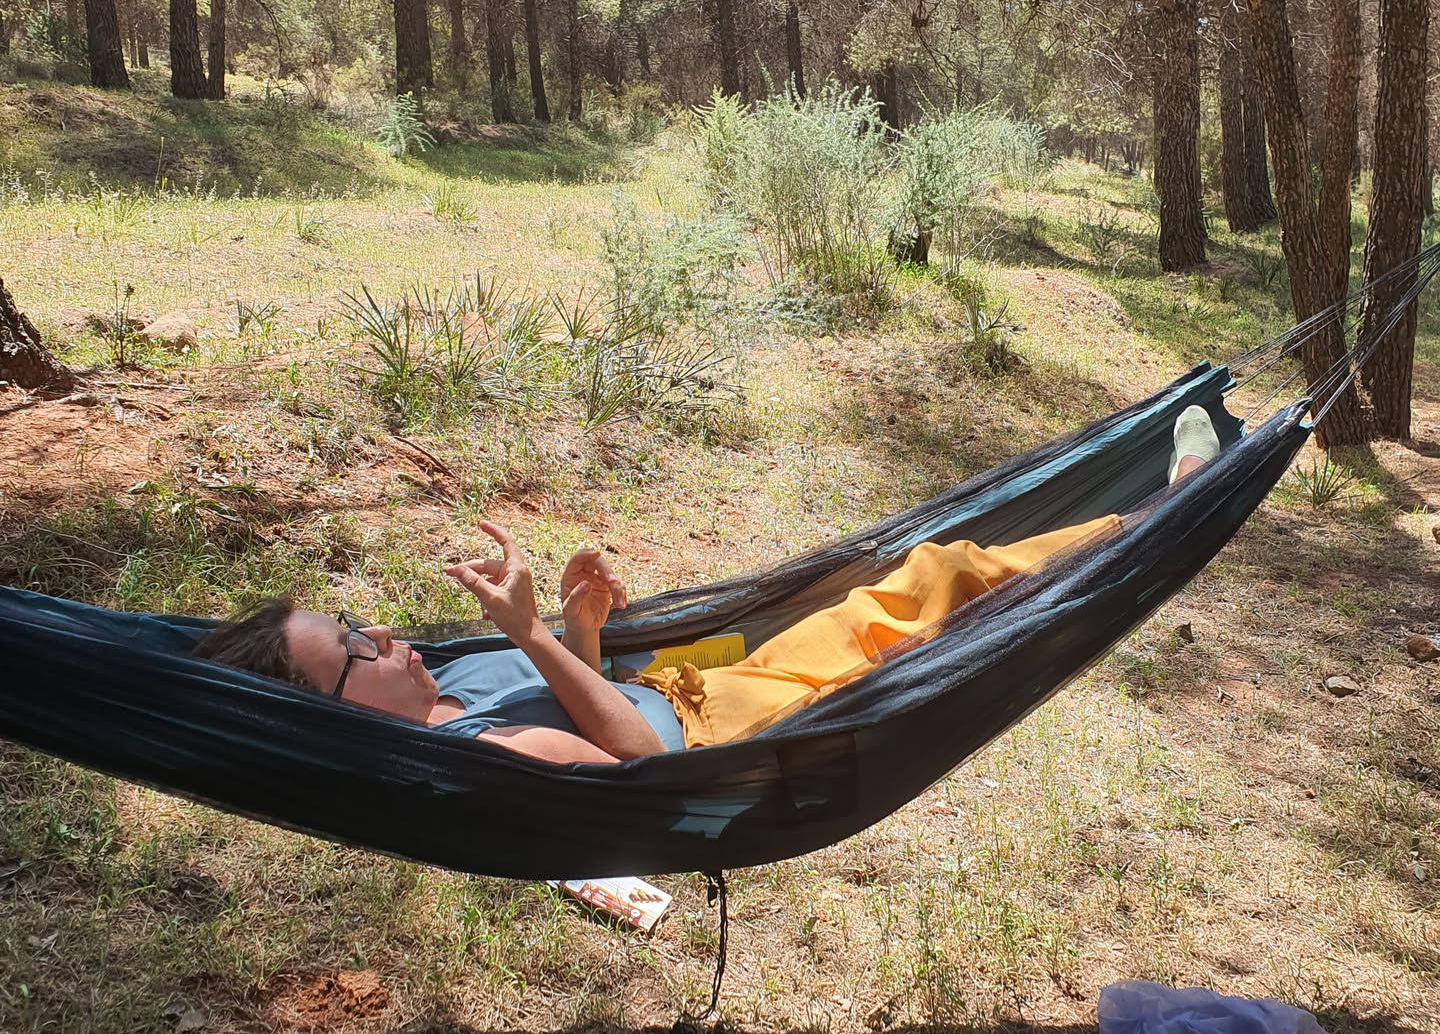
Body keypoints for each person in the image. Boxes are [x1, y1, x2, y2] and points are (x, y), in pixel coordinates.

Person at [193, 406, 1222, 766]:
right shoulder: (475, 753)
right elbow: (633, 763)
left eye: (359, 623)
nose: (381, 634)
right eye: (356, 651)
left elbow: (594, 703)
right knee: (949, 582)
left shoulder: (450, 691)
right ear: (335, 713)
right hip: (742, 732)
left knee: (927, 575)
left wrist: (579, 628)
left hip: (713, 685)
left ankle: (1147, 514)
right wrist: (536, 637)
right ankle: (1161, 513)